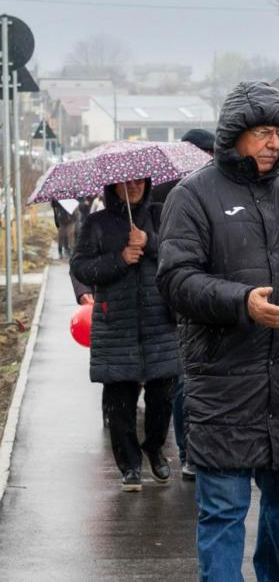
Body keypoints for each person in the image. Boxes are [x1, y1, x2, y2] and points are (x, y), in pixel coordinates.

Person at [156, 81, 279, 582]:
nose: (273, 142)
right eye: (262, 132)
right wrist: (241, 303)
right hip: (224, 387)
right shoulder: (192, 196)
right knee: (223, 514)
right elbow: (176, 280)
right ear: (234, 135)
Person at [71, 178, 179, 492]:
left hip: (159, 323)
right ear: (113, 186)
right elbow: (80, 267)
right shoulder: (97, 223)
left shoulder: (160, 214)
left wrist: (149, 242)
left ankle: (154, 448)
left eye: (139, 181)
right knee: (120, 402)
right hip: (116, 325)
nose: (133, 186)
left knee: (162, 397)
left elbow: (180, 254)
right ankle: (130, 464)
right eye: (126, 182)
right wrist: (120, 259)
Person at [162, 127, 216, 480]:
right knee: (185, 384)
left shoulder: (220, 191)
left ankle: (208, 449)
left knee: (213, 384)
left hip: (216, 302)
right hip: (178, 309)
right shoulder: (170, 194)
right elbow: (167, 256)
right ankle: (188, 451)